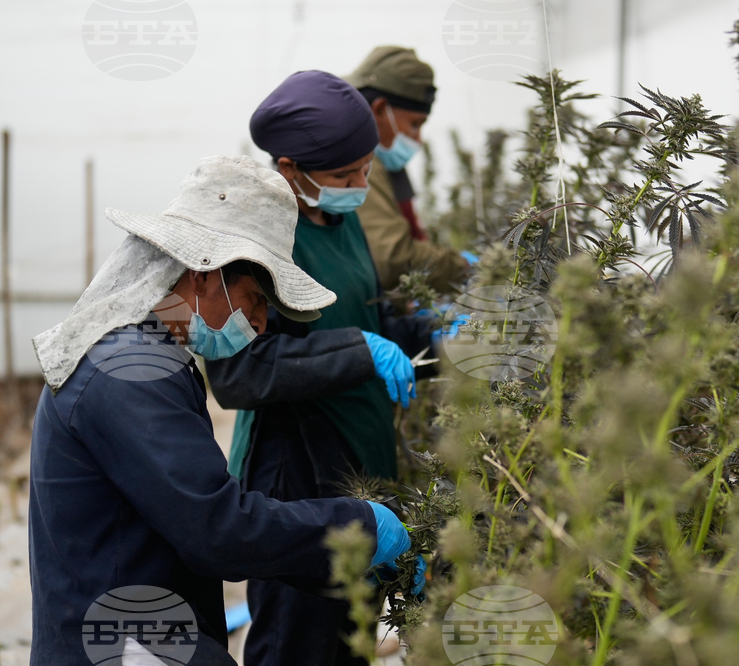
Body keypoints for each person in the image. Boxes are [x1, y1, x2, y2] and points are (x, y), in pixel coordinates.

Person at [28, 155, 418, 666]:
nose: (259, 323)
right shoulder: (127, 373)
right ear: (202, 273)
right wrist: (363, 526)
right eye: (256, 299)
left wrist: (349, 557)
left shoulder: (152, 356)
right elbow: (218, 531)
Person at [205, 71, 435, 666]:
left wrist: (424, 330)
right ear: (289, 170)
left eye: (365, 169)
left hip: (360, 453)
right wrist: (361, 351)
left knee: (353, 639)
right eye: (344, 176)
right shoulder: (257, 240)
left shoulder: (344, 216)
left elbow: (364, 311)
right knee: (296, 644)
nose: (360, 185)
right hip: (297, 472)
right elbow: (238, 375)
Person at [345, 46, 474, 294]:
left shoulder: (385, 164)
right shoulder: (358, 164)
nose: (418, 138)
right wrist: (462, 266)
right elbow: (393, 258)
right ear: (380, 110)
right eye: (415, 124)